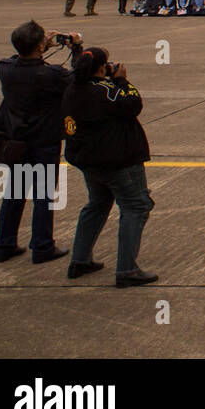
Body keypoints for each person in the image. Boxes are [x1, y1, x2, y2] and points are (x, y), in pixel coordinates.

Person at [61, 47, 157, 286]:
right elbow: (133, 104)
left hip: (89, 160)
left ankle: (80, 259)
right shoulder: (106, 91)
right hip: (117, 160)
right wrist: (122, 81)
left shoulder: (72, 88)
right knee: (136, 206)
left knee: (97, 204)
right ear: (101, 68)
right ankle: (127, 269)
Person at [0, 21, 80, 264]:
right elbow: (79, 77)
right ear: (40, 46)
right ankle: (42, 245)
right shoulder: (52, 75)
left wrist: (38, 47)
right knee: (43, 195)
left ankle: (5, 244)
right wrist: (76, 48)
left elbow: (14, 59)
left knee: (14, 193)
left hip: (16, 142)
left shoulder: (5, 69)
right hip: (44, 142)